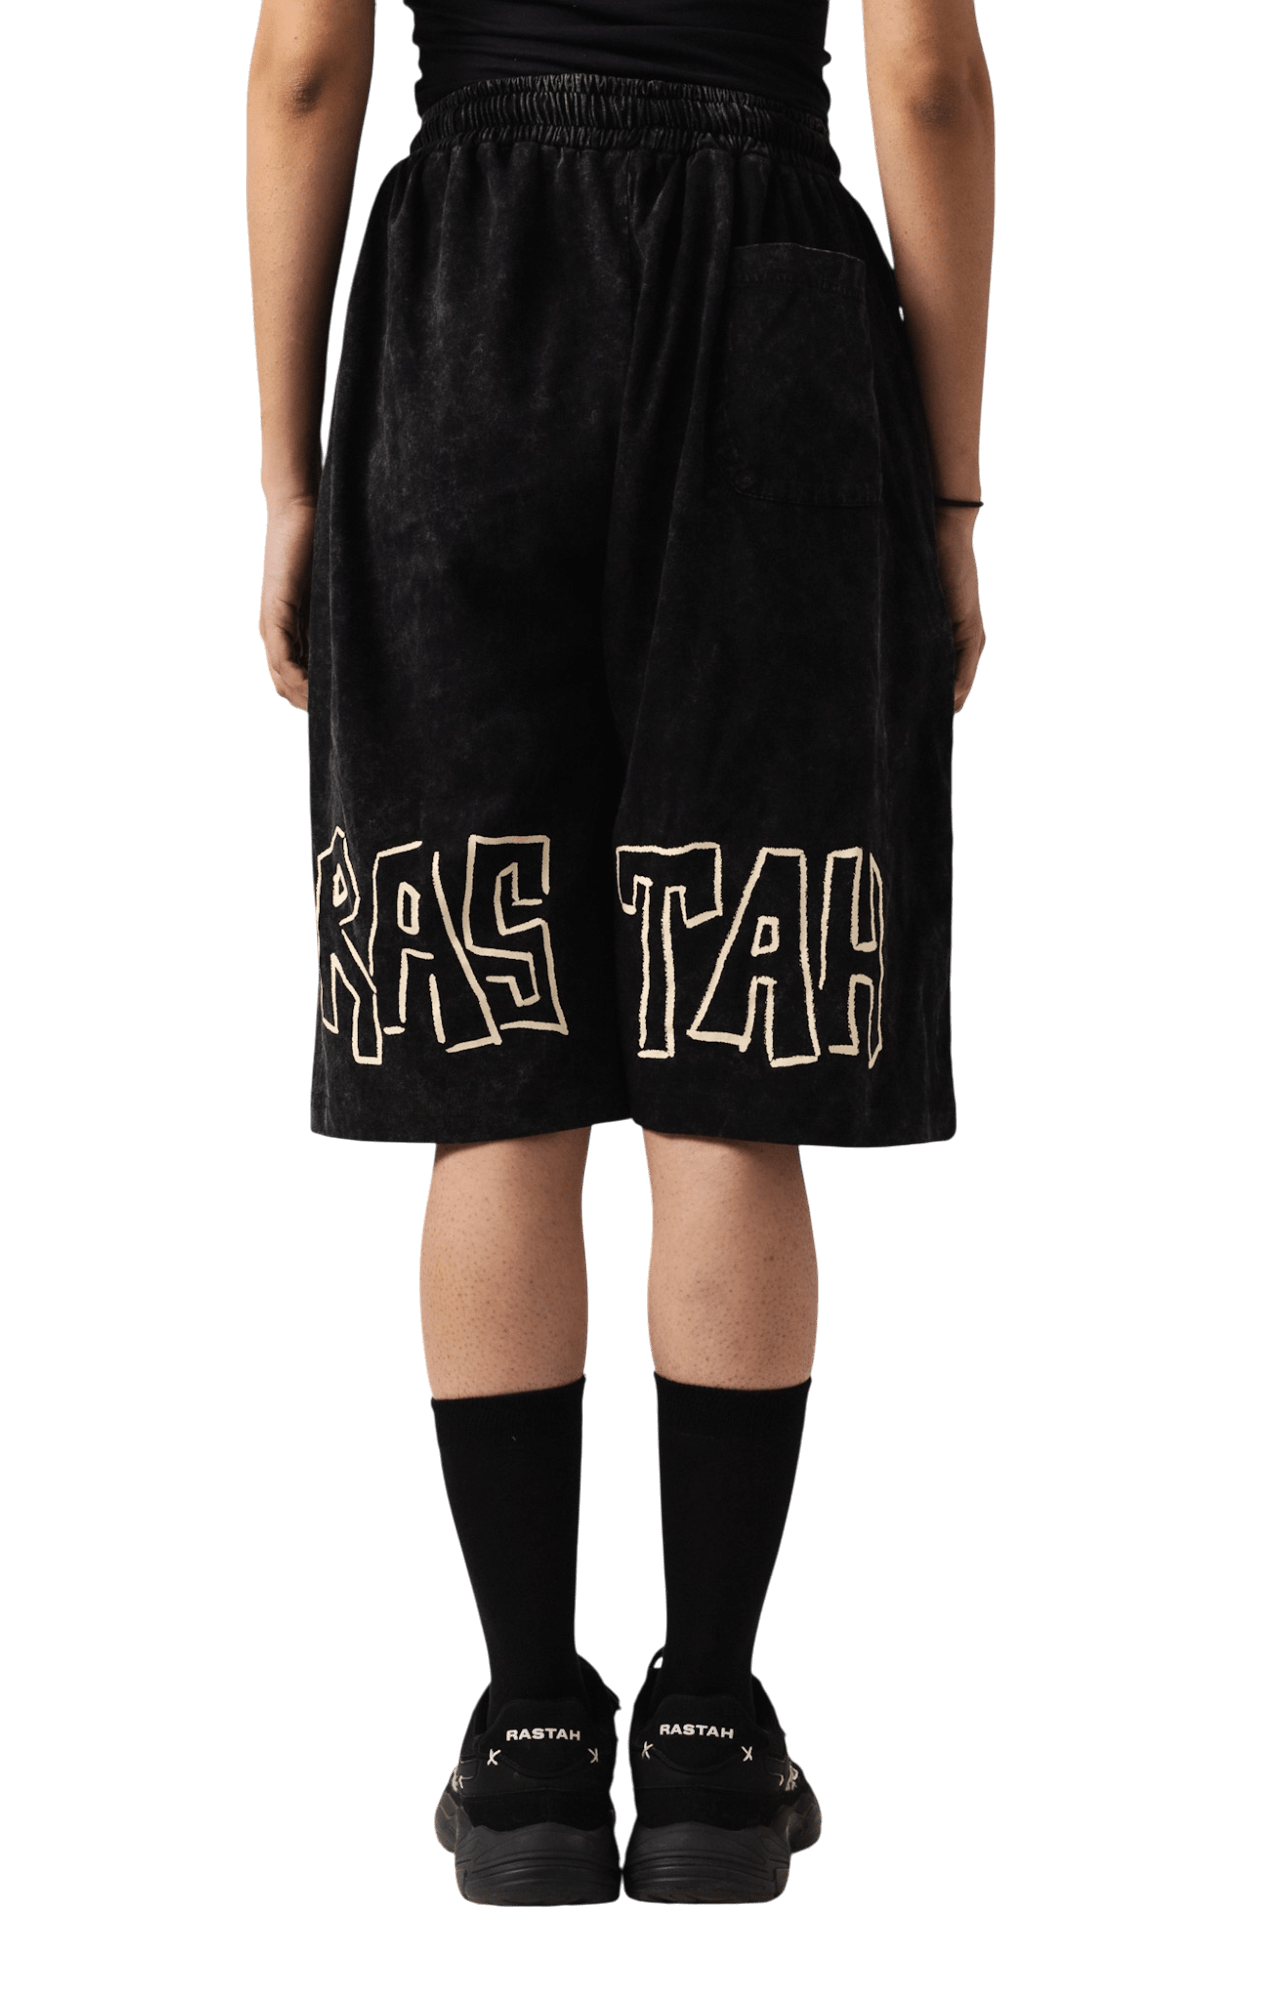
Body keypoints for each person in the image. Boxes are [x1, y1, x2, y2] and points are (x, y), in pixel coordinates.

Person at [246, 0, 993, 1907]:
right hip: (771, 299)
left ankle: (527, 1748)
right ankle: (713, 1742)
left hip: (468, 298)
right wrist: (951, 496)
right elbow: (925, 76)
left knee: (494, 1058)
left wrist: (287, 478)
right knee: (731, 1043)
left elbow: (305, 65)